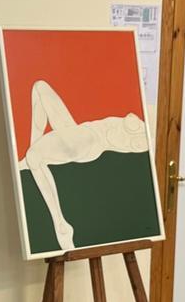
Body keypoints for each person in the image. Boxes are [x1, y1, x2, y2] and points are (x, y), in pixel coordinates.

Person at [20, 79, 150, 248]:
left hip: (88, 140)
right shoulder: (141, 131)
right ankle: (29, 164)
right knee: (40, 87)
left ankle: (60, 224)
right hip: (84, 131)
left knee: (34, 156)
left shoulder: (143, 139)